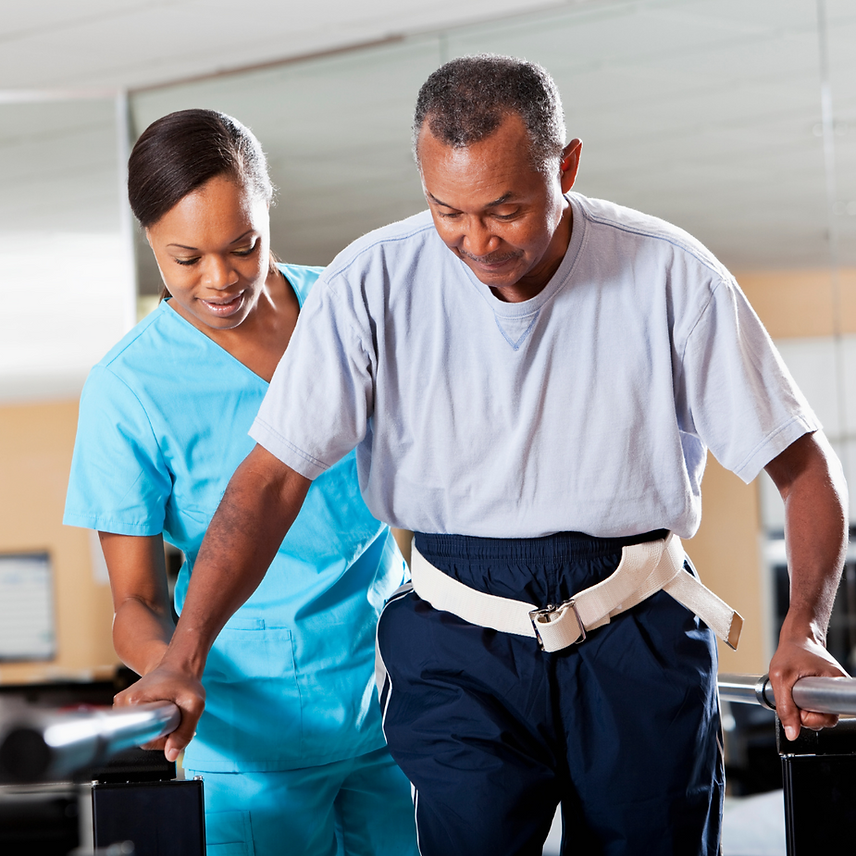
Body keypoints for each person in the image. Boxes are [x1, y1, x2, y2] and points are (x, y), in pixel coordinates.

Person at [116, 59, 849, 856]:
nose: (477, 241)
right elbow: (271, 480)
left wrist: (804, 626)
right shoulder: (371, 281)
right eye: (448, 211)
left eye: (505, 209)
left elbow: (803, 467)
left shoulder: (673, 276)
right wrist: (182, 657)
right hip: (456, 638)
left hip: (636, 624)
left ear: (565, 166)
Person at [63, 109, 417, 856]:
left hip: (394, 705)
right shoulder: (128, 387)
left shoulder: (345, 310)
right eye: (185, 258)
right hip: (248, 734)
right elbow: (135, 601)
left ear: (267, 213)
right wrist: (168, 667)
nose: (220, 280)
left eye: (243, 247)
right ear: (149, 242)